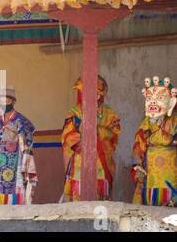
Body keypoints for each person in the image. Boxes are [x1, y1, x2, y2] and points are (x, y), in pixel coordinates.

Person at [61, 75, 120, 202]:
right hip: (80, 158)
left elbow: (114, 136)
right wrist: (83, 140)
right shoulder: (75, 112)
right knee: (78, 190)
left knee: (100, 192)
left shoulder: (110, 114)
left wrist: (97, 130)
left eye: (97, 94)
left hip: (101, 159)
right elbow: (67, 135)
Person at [0, 86, 38, 205]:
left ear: (13, 101)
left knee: (13, 194)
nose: (4, 103)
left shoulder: (21, 121)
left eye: (7, 100)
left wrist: (26, 165)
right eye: (1, 100)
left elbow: (27, 143)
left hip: (13, 163)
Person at [131, 76, 177, 206]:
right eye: (150, 99)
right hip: (150, 169)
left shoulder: (175, 121)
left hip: (172, 169)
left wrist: (164, 139)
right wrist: (138, 165)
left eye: (160, 98)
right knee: (148, 202)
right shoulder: (146, 122)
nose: (153, 103)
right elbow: (139, 143)